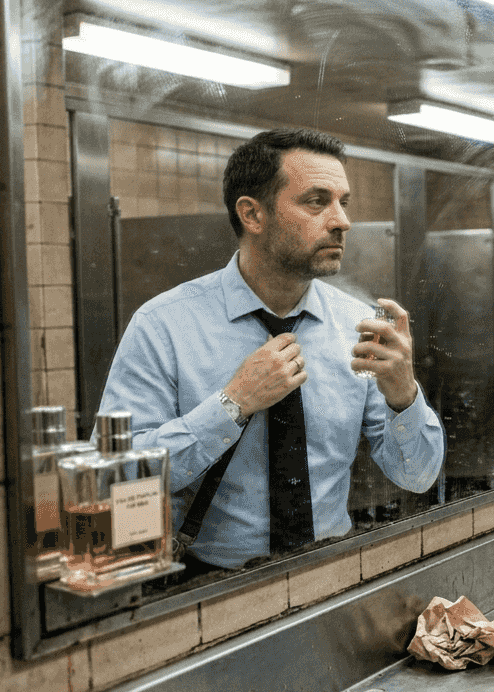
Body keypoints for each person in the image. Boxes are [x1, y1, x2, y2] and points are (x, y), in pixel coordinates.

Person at [97, 128, 445, 572]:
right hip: (207, 588)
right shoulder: (163, 325)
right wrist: (232, 404)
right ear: (252, 215)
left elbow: (416, 476)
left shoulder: (357, 327)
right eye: (317, 201)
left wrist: (403, 394)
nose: (342, 221)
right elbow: (114, 480)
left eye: (344, 201)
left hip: (331, 574)